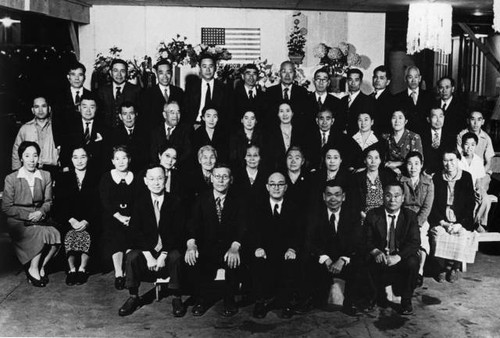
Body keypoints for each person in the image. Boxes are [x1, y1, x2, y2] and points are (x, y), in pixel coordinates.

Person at [118, 165, 186, 317]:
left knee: (176, 256)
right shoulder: (140, 203)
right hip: (147, 249)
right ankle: (133, 296)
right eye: (152, 179)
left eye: (160, 178)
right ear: (145, 181)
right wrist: (148, 254)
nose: (156, 183)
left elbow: (178, 232)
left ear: (166, 180)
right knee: (132, 257)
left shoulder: (175, 201)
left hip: (167, 249)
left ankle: (176, 297)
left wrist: (164, 254)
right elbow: (135, 232)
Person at [185, 163, 247, 317]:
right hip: (207, 247)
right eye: (217, 176)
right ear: (211, 178)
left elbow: (243, 226)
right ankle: (201, 300)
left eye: (225, 176)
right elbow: (193, 223)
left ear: (231, 180)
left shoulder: (238, 200)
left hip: (229, 247)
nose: (220, 180)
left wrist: (235, 246)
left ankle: (229, 300)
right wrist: (191, 244)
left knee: (233, 260)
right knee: (194, 258)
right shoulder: (201, 199)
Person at [2, 141, 61, 287]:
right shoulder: (11, 178)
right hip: (18, 220)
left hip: (40, 218)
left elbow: (48, 202)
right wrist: (28, 215)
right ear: (21, 158)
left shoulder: (45, 175)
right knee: (40, 233)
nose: (31, 160)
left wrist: (41, 212)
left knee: (56, 235)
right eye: (27, 156)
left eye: (35, 156)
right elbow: (7, 207)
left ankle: (41, 267)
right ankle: (33, 268)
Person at [303, 179, 363, 315]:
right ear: (324, 197)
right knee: (306, 259)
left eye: (337, 194)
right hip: (323, 259)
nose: (333, 198)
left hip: (344, 258)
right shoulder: (314, 214)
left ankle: (350, 303)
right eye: (329, 194)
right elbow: (309, 240)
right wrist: (325, 258)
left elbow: (357, 241)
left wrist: (342, 259)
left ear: (344, 197)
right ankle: (309, 300)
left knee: (359, 260)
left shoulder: (352, 215)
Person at [365, 182, 420, 315]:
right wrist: (375, 251)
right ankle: (371, 299)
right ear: (383, 197)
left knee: (413, 260)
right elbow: (365, 239)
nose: (392, 200)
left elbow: (414, 242)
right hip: (380, 256)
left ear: (403, 198)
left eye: (396, 196)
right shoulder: (373, 214)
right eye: (388, 196)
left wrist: (398, 256)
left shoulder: (410, 216)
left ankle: (406, 300)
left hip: (399, 257)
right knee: (363, 258)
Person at [251, 172, 301, 319]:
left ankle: (287, 302)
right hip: (265, 249)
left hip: (286, 249)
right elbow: (252, 231)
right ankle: (260, 302)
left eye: (280, 184)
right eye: (273, 184)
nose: (276, 188)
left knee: (293, 260)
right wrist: (257, 247)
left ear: (285, 187)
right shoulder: (258, 206)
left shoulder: (294, 207)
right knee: (257, 259)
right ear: (267, 187)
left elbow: (299, 232)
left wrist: (292, 248)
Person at [429, 148, 475, 283]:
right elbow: (433, 204)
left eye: (452, 160)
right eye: (445, 160)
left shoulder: (466, 176)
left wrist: (459, 224)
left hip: (460, 219)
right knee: (438, 235)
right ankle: (442, 268)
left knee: (462, 236)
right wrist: (444, 223)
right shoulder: (437, 177)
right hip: (442, 218)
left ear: (458, 160)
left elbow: (470, 204)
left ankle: (454, 267)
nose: (449, 164)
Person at [55, 146, 100, 286]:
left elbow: (99, 203)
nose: (79, 161)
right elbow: (59, 203)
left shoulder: (96, 176)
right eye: (75, 157)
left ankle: (82, 268)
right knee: (69, 234)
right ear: (71, 159)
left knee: (87, 234)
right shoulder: (64, 177)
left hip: (90, 219)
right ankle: (71, 269)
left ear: (88, 158)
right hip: (69, 219)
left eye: (83, 157)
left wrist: (86, 221)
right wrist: (71, 220)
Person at [99, 146, 136, 290]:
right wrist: (120, 217)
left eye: (124, 158)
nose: (121, 162)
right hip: (112, 216)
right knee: (115, 233)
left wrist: (130, 218)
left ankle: (129, 271)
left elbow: (138, 200)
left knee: (132, 233)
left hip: (131, 217)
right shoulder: (107, 177)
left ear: (129, 160)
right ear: (113, 161)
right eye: (117, 159)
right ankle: (119, 273)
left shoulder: (135, 177)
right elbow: (105, 201)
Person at [400, 151, 434, 287]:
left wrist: (417, 224)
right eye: (409, 164)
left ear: (421, 165)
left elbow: (427, 207)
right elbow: (399, 204)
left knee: (422, 238)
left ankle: (419, 271)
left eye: (416, 164)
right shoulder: (401, 181)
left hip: (421, 219)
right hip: (403, 217)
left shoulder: (428, 183)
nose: (413, 167)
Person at [61, 94, 109, 174]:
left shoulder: (105, 129)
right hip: (74, 171)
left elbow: (106, 156)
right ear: (79, 108)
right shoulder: (70, 128)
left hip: (97, 172)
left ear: (96, 108)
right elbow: (65, 152)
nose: (88, 111)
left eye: (92, 107)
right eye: (85, 107)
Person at [11, 96, 59, 177]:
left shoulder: (57, 127)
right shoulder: (25, 128)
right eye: (36, 107)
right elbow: (16, 150)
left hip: (52, 170)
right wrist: (18, 172)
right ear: (32, 110)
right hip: (30, 170)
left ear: (49, 109)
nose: (40, 110)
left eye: (43, 106)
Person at [183, 54, 232, 128]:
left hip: (216, 128)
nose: (208, 70)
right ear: (200, 68)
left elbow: (228, 114)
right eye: (204, 66)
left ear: (215, 68)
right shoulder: (191, 87)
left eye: (211, 66)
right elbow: (186, 111)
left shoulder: (224, 88)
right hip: (195, 126)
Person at [52, 62, 92, 149]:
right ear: (68, 77)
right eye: (73, 74)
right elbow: (56, 122)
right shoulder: (59, 97)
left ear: (84, 77)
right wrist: (58, 145)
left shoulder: (92, 96)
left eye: (80, 75)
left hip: (86, 144)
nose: (77, 78)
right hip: (66, 145)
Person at [458, 133, 492, 232]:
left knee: (485, 199)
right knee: (469, 200)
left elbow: (479, 180)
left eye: (472, 145)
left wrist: (478, 190)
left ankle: (477, 222)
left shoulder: (478, 160)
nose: (469, 148)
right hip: (462, 189)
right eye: (466, 144)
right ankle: (472, 224)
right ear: (462, 145)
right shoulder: (458, 159)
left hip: (474, 187)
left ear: (476, 146)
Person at [353, 147, 396, 220]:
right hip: (364, 217)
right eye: (370, 158)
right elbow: (354, 202)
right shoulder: (357, 178)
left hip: (385, 217)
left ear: (380, 160)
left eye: (376, 158)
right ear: (365, 160)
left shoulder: (387, 177)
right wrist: (364, 216)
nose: (373, 161)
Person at [97, 58, 141, 128]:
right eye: (115, 71)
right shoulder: (102, 91)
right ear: (110, 73)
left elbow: (140, 116)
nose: (119, 74)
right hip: (107, 134)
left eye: (122, 71)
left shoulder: (136, 90)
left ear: (127, 73)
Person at [141, 59, 184, 127]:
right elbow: (145, 120)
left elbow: (183, 118)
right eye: (161, 73)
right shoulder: (148, 94)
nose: (165, 76)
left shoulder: (179, 92)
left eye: (168, 73)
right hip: (155, 135)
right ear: (156, 73)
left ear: (171, 73)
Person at [150, 101, 193, 170]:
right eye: (172, 112)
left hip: (178, 169)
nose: (175, 116)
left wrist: (173, 164)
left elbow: (187, 152)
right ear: (164, 115)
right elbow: (153, 153)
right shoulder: (155, 130)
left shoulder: (186, 130)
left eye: (178, 112)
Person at [264, 61, 309, 127]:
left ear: (295, 74)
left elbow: (304, 118)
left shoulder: (302, 92)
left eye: (290, 72)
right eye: (284, 72)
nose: (287, 75)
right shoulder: (270, 92)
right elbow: (267, 117)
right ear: (279, 74)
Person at [109, 101, 149, 174]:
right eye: (125, 114)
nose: (128, 117)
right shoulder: (113, 134)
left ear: (136, 114)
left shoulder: (145, 133)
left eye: (131, 113)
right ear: (120, 116)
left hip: (140, 173)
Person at [381, 109, 423, 177]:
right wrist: (391, 167)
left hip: (409, 175)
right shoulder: (386, 137)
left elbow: (418, 162)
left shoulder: (414, 137)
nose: (397, 121)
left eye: (400, 118)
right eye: (394, 118)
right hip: (390, 174)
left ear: (405, 121)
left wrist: (397, 163)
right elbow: (384, 161)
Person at [265, 101, 304, 171]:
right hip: (276, 170)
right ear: (278, 114)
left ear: (292, 113)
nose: (285, 114)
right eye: (281, 111)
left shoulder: (300, 132)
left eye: (288, 111)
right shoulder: (270, 133)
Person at [394, 66, 434, 135]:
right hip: (405, 137)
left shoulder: (429, 96)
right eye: (410, 77)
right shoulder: (397, 98)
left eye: (416, 77)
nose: (413, 80)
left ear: (420, 78)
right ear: (405, 79)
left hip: (425, 137)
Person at [457, 110, 495, 176]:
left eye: (479, 120)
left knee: (481, 185)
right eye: (473, 119)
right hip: (464, 169)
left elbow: (488, 162)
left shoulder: (486, 138)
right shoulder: (461, 135)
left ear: (483, 122)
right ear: (468, 121)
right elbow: (459, 157)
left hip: (481, 170)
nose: (476, 123)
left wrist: (480, 173)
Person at [337, 68, 374, 135]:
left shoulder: (368, 100)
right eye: (350, 79)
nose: (353, 83)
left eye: (356, 80)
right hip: (342, 139)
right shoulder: (343, 100)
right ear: (347, 81)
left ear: (361, 82)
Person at [421, 107, 456, 175]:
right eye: (434, 117)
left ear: (444, 118)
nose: (438, 120)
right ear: (428, 119)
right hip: (425, 172)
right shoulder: (421, 135)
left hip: (445, 172)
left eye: (440, 116)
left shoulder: (451, 135)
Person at [371, 65, 396, 135]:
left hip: (382, 139)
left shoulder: (393, 100)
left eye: (381, 78)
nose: (377, 80)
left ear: (387, 82)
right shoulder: (367, 98)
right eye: (376, 77)